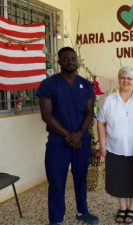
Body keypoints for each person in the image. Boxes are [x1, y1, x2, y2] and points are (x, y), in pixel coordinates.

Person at [36, 47, 99, 225]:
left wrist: (79, 134)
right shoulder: (49, 85)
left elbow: (88, 113)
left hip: (81, 141)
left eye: (73, 58)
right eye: (65, 59)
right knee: (56, 181)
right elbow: (46, 115)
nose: (70, 61)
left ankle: (82, 211)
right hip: (58, 143)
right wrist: (69, 136)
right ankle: (56, 218)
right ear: (59, 61)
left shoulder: (86, 85)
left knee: (81, 178)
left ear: (77, 60)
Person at [96, 66, 133, 224]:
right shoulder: (109, 100)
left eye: (129, 78)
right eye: (123, 77)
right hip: (114, 149)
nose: (126, 80)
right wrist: (103, 146)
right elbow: (101, 123)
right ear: (118, 79)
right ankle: (123, 207)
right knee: (118, 180)